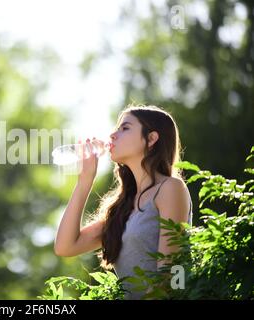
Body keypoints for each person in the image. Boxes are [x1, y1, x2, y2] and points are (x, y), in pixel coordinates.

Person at [54, 104, 193, 299]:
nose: (112, 135)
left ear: (151, 138)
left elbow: (170, 274)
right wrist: (85, 182)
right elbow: (65, 246)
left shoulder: (170, 188)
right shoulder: (121, 208)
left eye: (125, 128)